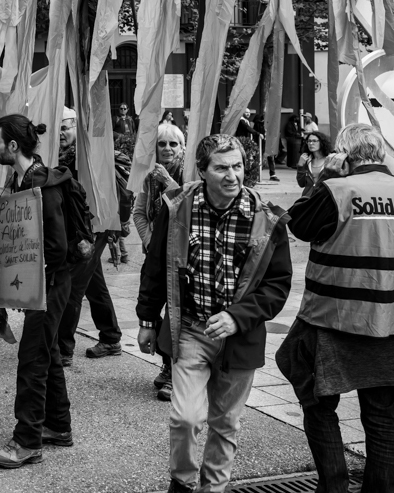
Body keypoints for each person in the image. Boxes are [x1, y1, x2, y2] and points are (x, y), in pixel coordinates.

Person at [277, 124, 394, 493]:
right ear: (382, 152)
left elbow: (299, 224)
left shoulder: (336, 190)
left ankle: (334, 486)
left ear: (343, 154)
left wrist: (324, 175)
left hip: (331, 322)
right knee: (379, 415)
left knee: (315, 398)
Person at [137, 134, 292, 493]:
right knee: (186, 417)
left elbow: (277, 285)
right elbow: (156, 265)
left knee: (226, 423)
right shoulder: (177, 208)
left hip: (240, 337)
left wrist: (238, 316)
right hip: (191, 329)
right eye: (222, 167)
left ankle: (213, 489)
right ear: (202, 170)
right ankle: (182, 481)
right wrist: (147, 319)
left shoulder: (266, 218)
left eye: (237, 166)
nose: (232, 175)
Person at [0, 114, 89, 470]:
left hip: (50, 283)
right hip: (43, 283)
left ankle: (27, 441)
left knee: (31, 359)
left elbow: (58, 249)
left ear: (13, 146)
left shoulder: (41, 187)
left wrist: (30, 283)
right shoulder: (25, 178)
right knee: (45, 351)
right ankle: (58, 426)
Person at [53, 108, 124, 375]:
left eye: (66, 127)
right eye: (56, 128)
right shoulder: (56, 157)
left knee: (73, 286)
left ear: (76, 128)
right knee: (94, 282)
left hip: (93, 227)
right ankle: (111, 337)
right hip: (78, 228)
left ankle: (63, 350)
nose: (61, 133)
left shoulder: (87, 156)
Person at [130, 122, 186, 402]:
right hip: (156, 258)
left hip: (184, 258)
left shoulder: (192, 175)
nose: (167, 149)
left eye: (173, 144)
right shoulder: (149, 177)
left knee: (179, 316)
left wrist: (169, 183)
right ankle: (167, 363)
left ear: (182, 148)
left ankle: (176, 374)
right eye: (161, 144)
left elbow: (187, 208)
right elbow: (139, 213)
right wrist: (151, 241)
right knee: (154, 310)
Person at [296, 130, 332, 196]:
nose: (311, 143)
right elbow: (301, 184)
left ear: (322, 142)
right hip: (308, 199)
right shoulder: (306, 160)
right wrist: (300, 166)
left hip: (324, 199)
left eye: (314, 141)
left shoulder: (330, 160)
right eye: (309, 141)